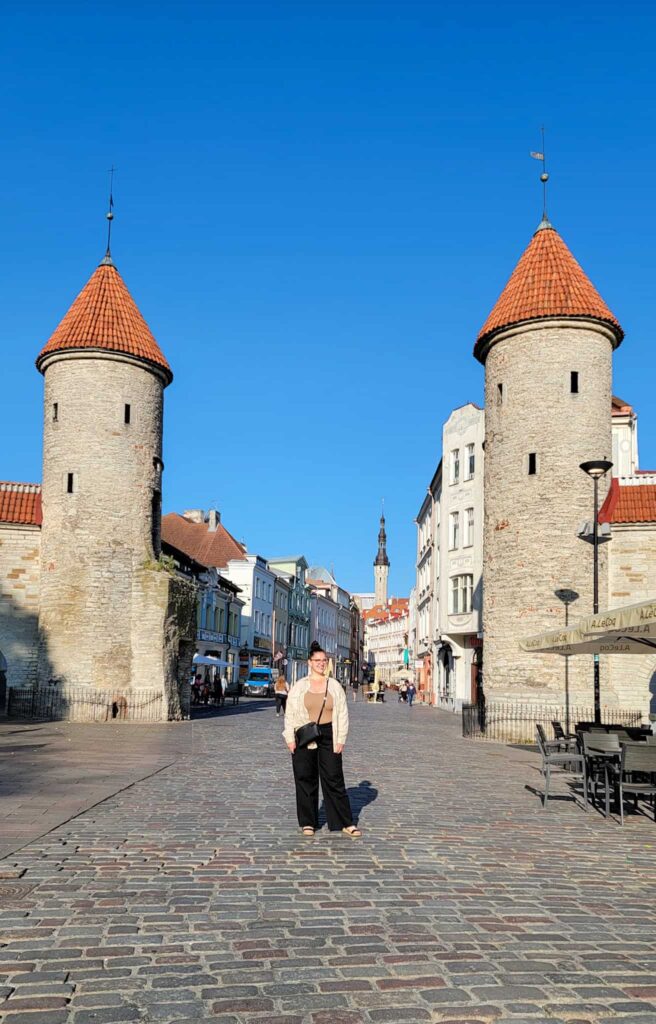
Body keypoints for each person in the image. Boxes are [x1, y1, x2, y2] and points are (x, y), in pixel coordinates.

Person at [283, 641, 361, 839]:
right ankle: (308, 822)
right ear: (309, 662)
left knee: (334, 778)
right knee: (305, 778)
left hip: (329, 734)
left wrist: (341, 738)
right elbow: (290, 713)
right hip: (305, 734)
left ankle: (345, 822)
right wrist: (290, 738)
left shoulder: (334, 686)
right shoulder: (300, 687)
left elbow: (342, 713)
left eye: (324, 660)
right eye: (317, 660)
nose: (321, 663)